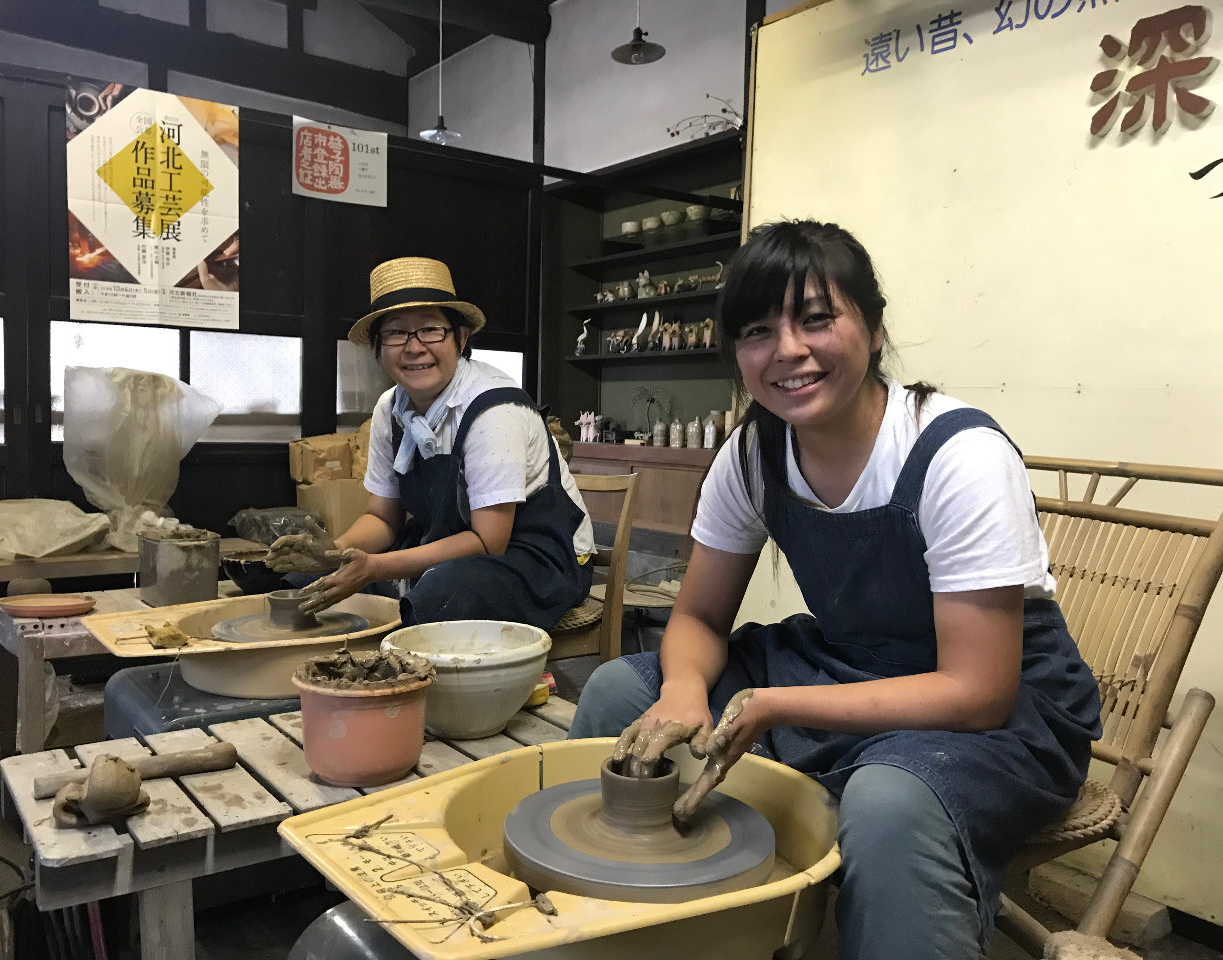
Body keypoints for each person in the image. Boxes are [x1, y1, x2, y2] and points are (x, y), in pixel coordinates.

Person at [569, 221, 1101, 959]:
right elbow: (697, 614)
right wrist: (685, 688)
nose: (788, 350)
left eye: (817, 319)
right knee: (619, 696)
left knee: (888, 801)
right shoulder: (753, 454)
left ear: (874, 329)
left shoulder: (958, 456)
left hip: (1001, 706)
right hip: (847, 662)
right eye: (758, 330)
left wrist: (778, 704)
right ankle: (632, 930)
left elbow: (978, 689)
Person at [266, 256, 594, 630]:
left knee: (443, 593)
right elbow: (382, 518)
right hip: (450, 545)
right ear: (378, 347)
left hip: (537, 557)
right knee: (308, 585)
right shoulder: (390, 408)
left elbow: (490, 543)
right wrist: (334, 552)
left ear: (461, 338)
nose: (414, 347)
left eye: (431, 330)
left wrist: (375, 567)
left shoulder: (493, 410)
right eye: (395, 332)